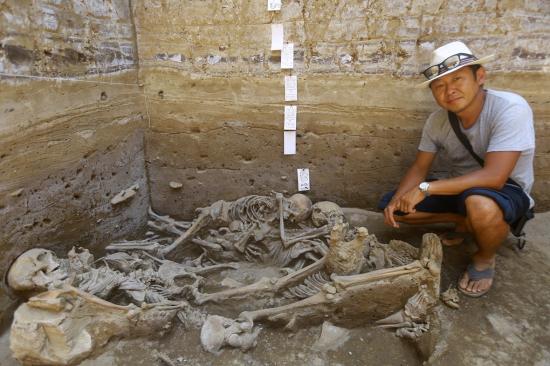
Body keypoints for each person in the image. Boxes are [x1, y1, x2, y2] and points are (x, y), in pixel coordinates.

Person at [378, 41, 535, 297]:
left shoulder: (510, 108)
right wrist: (398, 200)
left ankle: (484, 258)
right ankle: (465, 223)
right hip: (458, 187)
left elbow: (494, 177)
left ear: (479, 76)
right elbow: (420, 167)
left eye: (458, 79)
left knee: (479, 204)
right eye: (440, 85)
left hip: (504, 190)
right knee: (394, 208)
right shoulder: (437, 121)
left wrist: (426, 189)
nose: (449, 90)